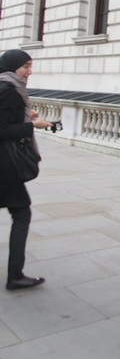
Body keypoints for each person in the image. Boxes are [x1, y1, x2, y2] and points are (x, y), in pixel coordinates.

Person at [0, 49, 51, 290]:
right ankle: (15, 275)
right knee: (22, 213)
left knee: (20, 212)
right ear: (13, 67)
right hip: (5, 167)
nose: (30, 71)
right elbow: (3, 130)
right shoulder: (9, 91)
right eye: (26, 66)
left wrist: (24, 116)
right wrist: (33, 125)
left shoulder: (5, 87)